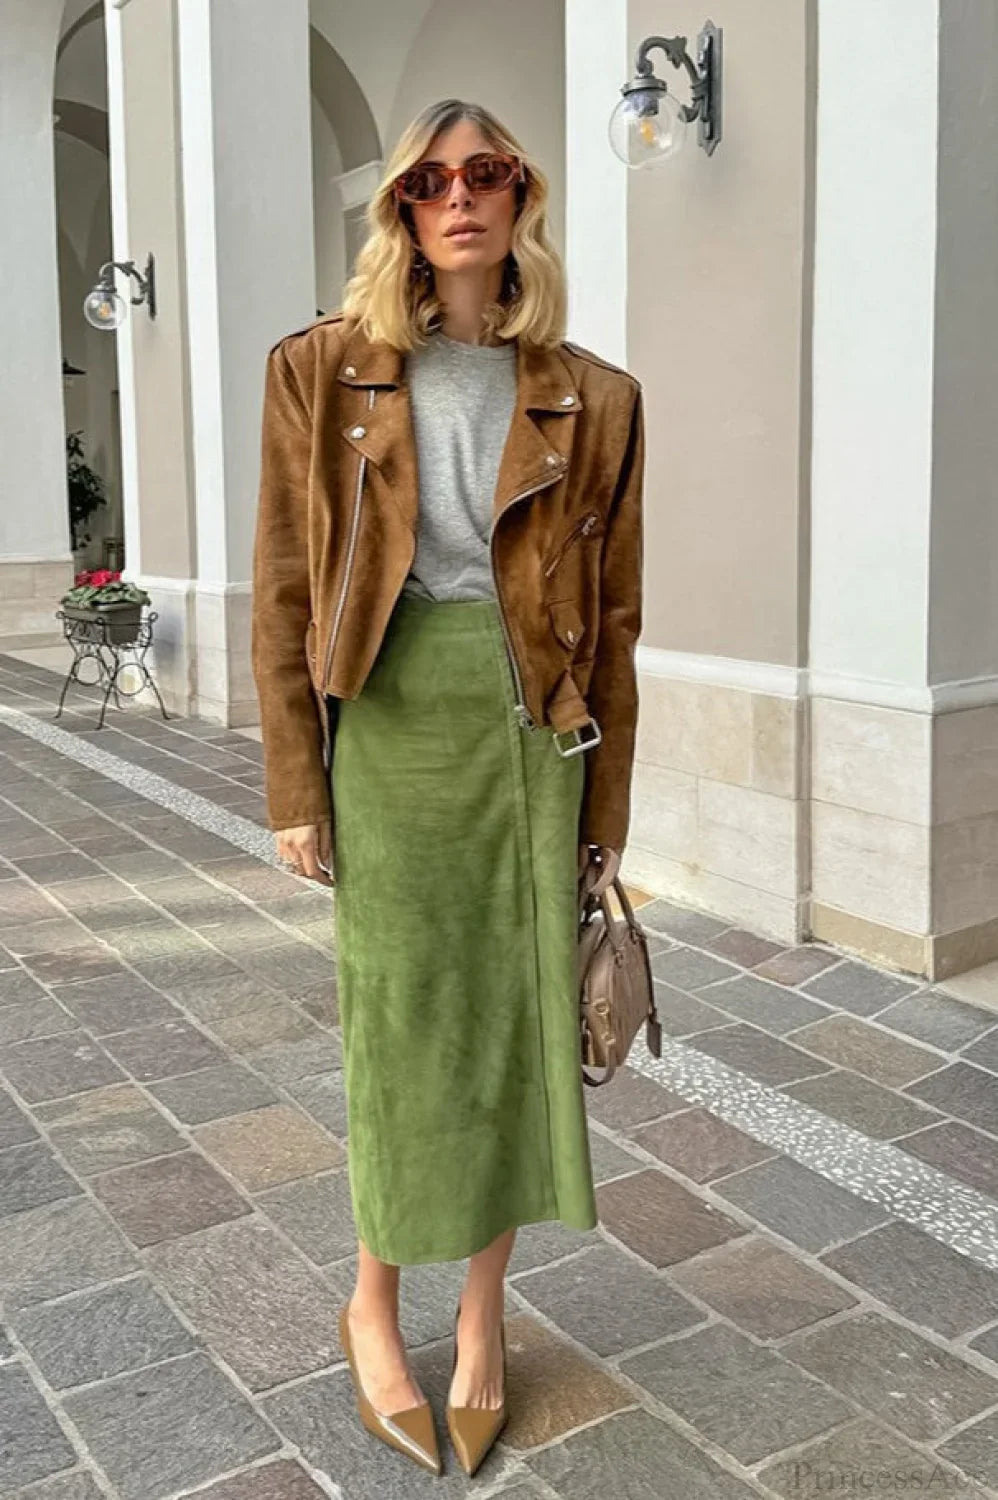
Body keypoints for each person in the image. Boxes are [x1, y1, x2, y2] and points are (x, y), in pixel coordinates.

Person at [250, 97, 645, 1479]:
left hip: (532, 728)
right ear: (402, 212)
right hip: (392, 717)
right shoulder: (320, 369)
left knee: (514, 1023)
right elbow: (285, 587)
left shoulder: (595, 396)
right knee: (403, 1020)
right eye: (428, 180)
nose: (459, 197)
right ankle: (372, 1302)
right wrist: (296, 784)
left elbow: (613, 624)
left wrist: (604, 820)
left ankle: (482, 1320)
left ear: (521, 195)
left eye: (486, 173)